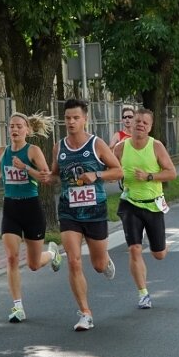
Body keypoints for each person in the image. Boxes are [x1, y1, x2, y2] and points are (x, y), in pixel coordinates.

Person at [0, 112, 62, 323]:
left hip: (31, 208)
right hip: (11, 209)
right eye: (11, 126)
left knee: (33, 265)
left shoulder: (33, 151)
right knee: (11, 257)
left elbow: (46, 177)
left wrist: (25, 167)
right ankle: (18, 307)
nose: (14, 129)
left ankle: (52, 254)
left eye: (19, 126)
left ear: (27, 130)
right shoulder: (2, 151)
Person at [49, 98, 123, 331]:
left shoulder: (96, 144)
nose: (71, 122)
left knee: (98, 265)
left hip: (95, 210)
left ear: (85, 119)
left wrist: (97, 175)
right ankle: (85, 313)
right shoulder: (59, 147)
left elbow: (118, 171)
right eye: (68, 118)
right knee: (73, 260)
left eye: (76, 118)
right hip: (69, 210)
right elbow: (55, 174)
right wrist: (44, 177)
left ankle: (105, 260)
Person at [114, 108, 176, 309]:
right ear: (130, 123)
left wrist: (149, 176)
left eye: (145, 123)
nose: (140, 124)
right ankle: (143, 294)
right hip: (130, 203)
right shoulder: (120, 148)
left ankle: (164, 244)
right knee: (134, 249)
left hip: (153, 204)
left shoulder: (156, 146)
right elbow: (111, 170)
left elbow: (171, 173)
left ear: (150, 127)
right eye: (137, 121)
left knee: (159, 254)